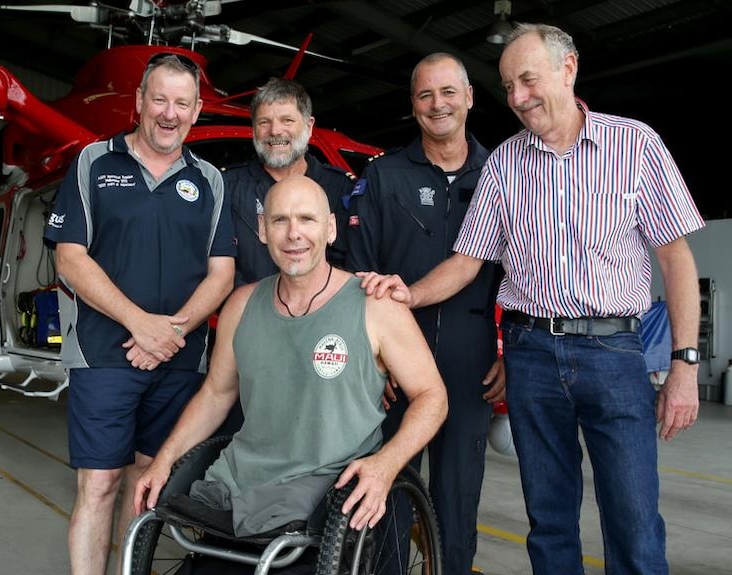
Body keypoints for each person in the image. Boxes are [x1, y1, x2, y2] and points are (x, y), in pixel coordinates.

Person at [360, 24, 704, 574]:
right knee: (548, 520)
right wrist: (410, 293)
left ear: (568, 70)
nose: (517, 97)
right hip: (531, 354)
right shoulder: (504, 163)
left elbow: (676, 260)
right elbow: (469, 259)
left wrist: (685, 364)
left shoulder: (636, 145)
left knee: (634, 519)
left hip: (614, 353)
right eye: (508, 85)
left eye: (527, 80)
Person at [133, 175, 448, 546]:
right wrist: (163, 460)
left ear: (330, 229)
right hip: (236, 482)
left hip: (321, 493)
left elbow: (432, 396)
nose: (293, 234)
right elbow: (216, 394)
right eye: (280, 220)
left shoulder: (375, 305)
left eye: (307, 220)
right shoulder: (241, 305)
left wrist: (387, 464)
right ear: (262, 230)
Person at [43, 53, 236, 575]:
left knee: (149, 483)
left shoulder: (210, 181)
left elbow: (222, 273)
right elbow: (70, 256)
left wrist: (171, 331)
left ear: (196, 112)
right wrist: (140, 323)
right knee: (100, 483)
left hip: (178, 358)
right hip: (105, 354)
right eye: (159, 99)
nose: (168, 113)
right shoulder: (93, 162)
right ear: (138, 103)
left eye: (182, 102)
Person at [344, 53, 504, 575]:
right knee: (384, 488)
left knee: (458, 498)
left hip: (472, 363)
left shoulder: (505, 174)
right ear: (413, 106)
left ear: (470, 97)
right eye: (425, 95)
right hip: (394, 364)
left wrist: (510, 353)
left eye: (448, 92)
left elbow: (530, 274)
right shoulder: (384, 176)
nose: (438, 104)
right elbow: (357, 276)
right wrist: (371, 362)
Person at [223, 77, 357, 285]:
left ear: (309, 126)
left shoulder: (341, 189)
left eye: (287, 120)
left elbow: (355, 266)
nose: (275, 131)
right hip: (246, 313)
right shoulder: (227, 188)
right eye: (264, 122)